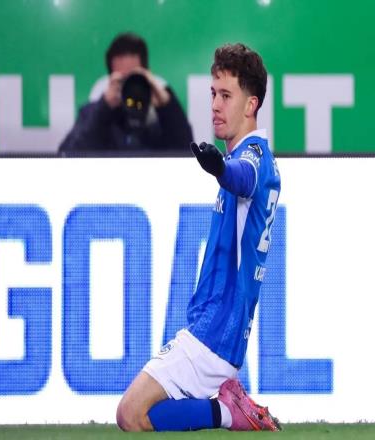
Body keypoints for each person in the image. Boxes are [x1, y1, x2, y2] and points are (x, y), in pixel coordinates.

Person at [116, 43, 282, 432]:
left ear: (251, 104)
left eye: (226, 95)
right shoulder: (254, 156)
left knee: (130, 415)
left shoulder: (253, 158)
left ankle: (228, 412)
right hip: (216, 331)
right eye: (213, 94)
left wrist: (220, 169)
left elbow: (243, 178)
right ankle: (227, 408)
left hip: (214, 334)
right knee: (140, 414)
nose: (215, 105)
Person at [59, 32, 193, 153]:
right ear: (111, 78)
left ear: (147, 75)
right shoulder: (94, 113)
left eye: (133, 78)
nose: (129, 85)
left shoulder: (160, 115)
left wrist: (167, 106)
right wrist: (104, 108)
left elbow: (187, 153)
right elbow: (67, 155)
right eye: (122, 79)